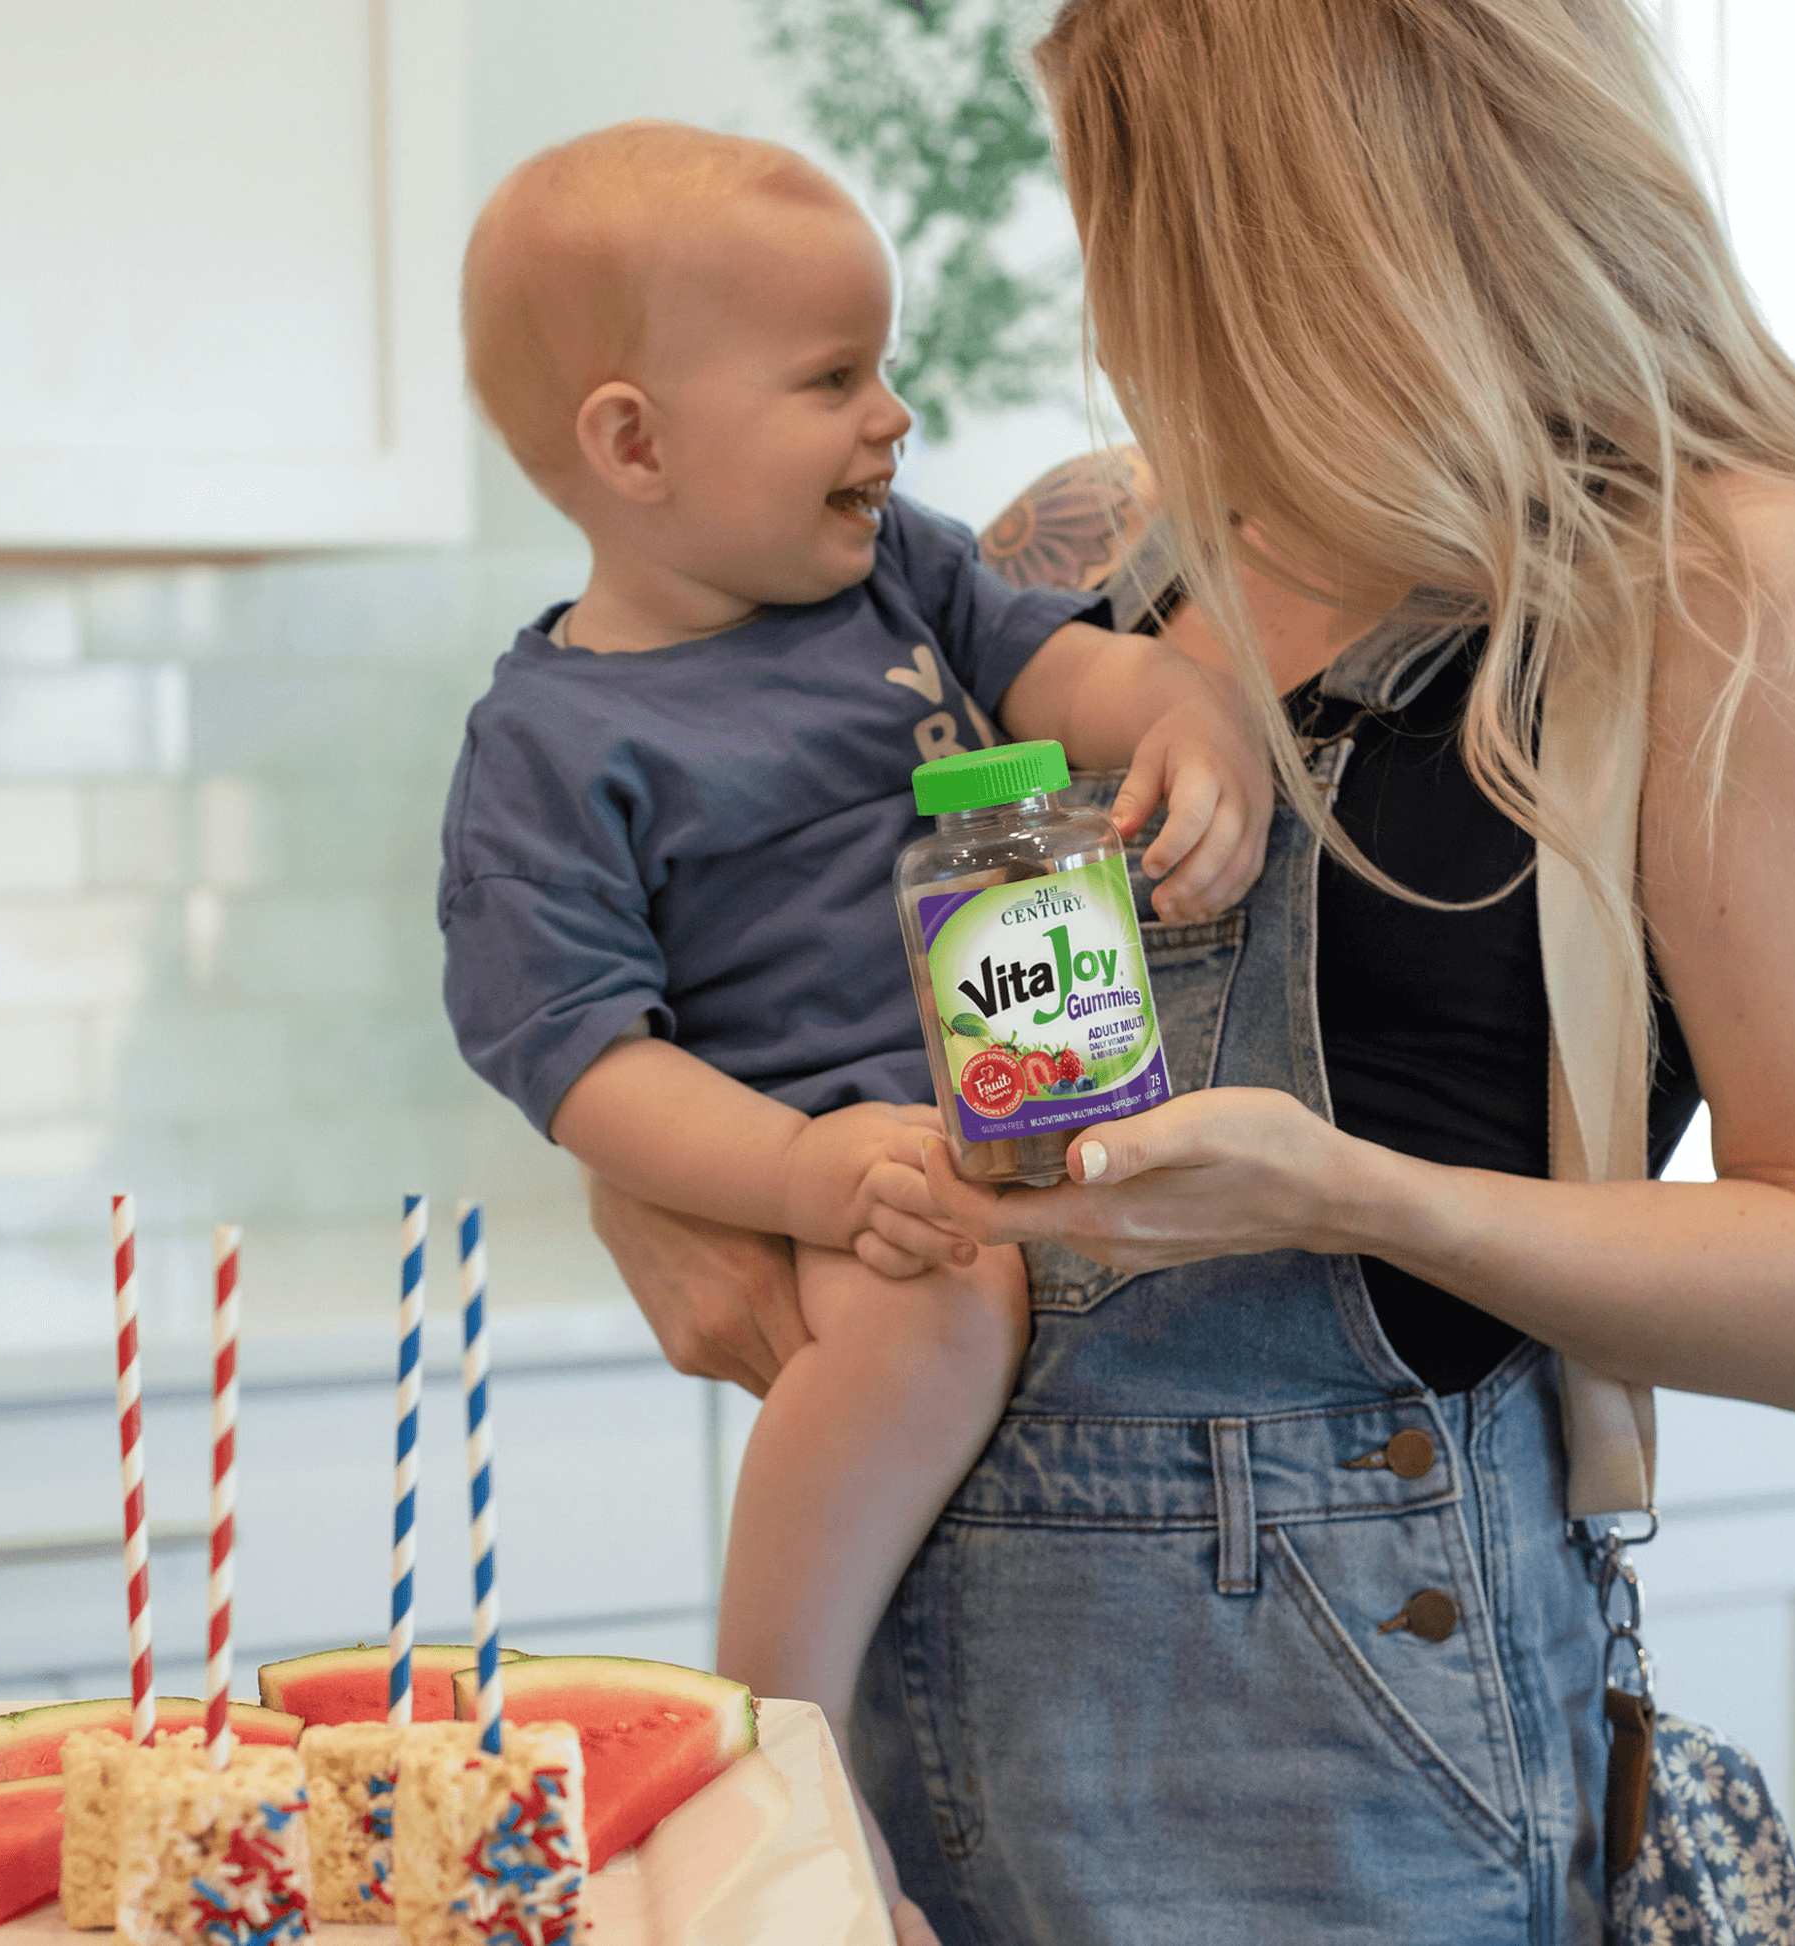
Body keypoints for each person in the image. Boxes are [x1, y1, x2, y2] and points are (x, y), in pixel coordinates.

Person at [583, 2, 1795, 1940]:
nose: (1110, 289)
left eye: (1126, 201)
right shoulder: (1086, 543)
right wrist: (649, 1179)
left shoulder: (1724, 577)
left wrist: (1349, 1195)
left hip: (1343, 1756)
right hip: (920, 1695)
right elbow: (713, 946)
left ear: (1286, 222)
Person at [441, 121, 1272, 1943]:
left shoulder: (905, 570)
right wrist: (798, 1172)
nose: (892, 416)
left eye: (878, 368)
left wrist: (1187, 714)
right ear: (632, 445)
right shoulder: (550, 745)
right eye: (832, 379)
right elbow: (575, 1058)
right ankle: (777, 1751)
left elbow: (1078, 668)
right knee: (933, 1296)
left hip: (1036, 1120)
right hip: (856, 1171)